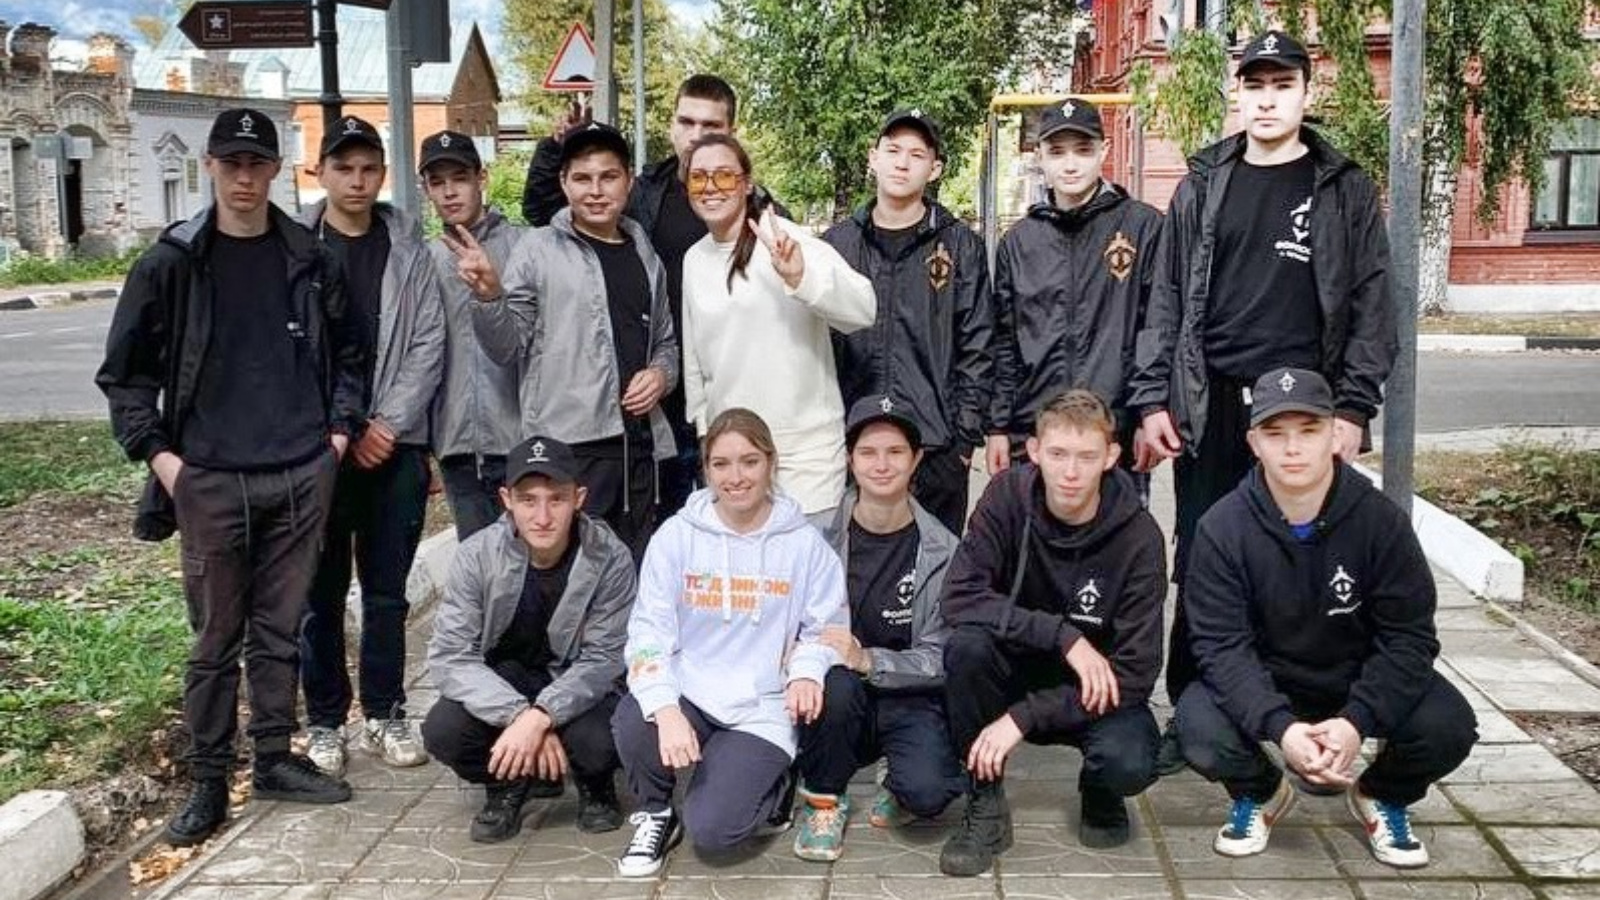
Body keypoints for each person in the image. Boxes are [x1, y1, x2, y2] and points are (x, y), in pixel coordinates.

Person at [1125, 30, 1397, 761]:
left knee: (1304, 560)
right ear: (1236, 94)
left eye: (1283, 86)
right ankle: (1194, 710)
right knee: (1204, 555)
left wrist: (1353, 409)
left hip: (1303, 413)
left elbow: (1372, 304)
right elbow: (1166, 298)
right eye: (1255, 86)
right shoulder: (1203, 184)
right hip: (1213, 405)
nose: (1268, 100)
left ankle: (1306, 710)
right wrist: (1153, 401)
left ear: (1307, 93)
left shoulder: (1342, 188)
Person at [96, 108, 361, 846]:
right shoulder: (171, 263)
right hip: (209, 478)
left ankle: (274, 758)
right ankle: (208, 779)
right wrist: (165, 462)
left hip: (299, 471)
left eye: (257, 163)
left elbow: (351, 356)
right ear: (210, 165)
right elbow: (125, 376)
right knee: (215, 639)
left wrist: (336, 439)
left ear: (276, 169)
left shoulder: (309, 257)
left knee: (280, 630)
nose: (244, 177)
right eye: (231, 162)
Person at [1176, 367, 1476, 868]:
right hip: (1272, 680)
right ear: (1254, 443)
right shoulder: (1222, 528)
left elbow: (1409, 638)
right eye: (1275, 433)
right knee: (1197, 726)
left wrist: (1357, 721)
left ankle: (1381, 794)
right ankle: (1261, 793)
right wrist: (1282, 729)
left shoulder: (1381, 521)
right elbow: (1221, 648)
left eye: (1309, 430)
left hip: (1355, 678)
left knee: (1449, 726)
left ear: (1335, 435)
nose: (1292, 448)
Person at [937, 389, 1166, 876]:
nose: (1071, 472)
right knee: (966, 649)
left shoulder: (1139, 536)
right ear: (1035, 450)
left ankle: (1099, 790)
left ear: (1111, 456)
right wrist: (1063, 636)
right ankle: (985, 801)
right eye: (1058, 454)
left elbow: (1137, 673)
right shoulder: (1006, 497)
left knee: (1130, 760)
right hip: (1015, 667)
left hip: (1093, 691)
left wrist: (1024, 717)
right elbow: (958, 597)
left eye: (1086, 456)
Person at [610, 408, 847, 877]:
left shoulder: (804, 543)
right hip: (691, 693)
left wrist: (805, 671)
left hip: (762, 705)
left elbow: (827, 628)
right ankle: (656, 813)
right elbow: (648, 632)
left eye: (749, 461)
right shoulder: (676, 536)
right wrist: (666, 708)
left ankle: (774, 782)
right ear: (705, 468)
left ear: (771, 463)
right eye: (721, 464)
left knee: (716, 833)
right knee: (634, 717)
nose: (735, 477)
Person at [523, 75, 749, 520]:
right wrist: (555, 148)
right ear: (671, 125)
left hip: (725, 394)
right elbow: (550, 211)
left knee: (728, 528)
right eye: (686, 122)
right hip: (655, 404)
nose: (696, 136)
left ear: (731, 132)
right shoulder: (642, 193)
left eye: (711, 126)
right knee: (663, 531)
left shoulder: (755, 205)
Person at [298, 116, 444, 777]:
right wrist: (338, 428)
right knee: (320, 594)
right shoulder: (296, 248)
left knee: (387, 593)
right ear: (321, 172)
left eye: (368, 169)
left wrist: (388, 423)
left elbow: (429, 343)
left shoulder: (410, 251)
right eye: (344, 168)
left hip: (396, 446)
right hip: (319, 450)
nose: (356, 181)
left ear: (382, 175)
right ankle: (326, 721)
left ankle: (386, 711)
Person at [458, 123, 678, 560]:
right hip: (566, 453)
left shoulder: (644, 251)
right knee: (569, 580)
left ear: (628, 180)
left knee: (631, 578)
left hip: (637, 450)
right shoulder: (537, 249)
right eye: (582, 178)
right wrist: (488, 297)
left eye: (608, 177)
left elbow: (666, 343)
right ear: (563, 183)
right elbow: (505, 348)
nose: (595, 191)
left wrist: (660, 375)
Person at [422, 435, 633, 843]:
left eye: (556, 500)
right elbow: (450, 656)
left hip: (576, 685)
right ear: (507, 500)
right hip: (506, 682)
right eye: (528, 501)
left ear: (579, 498)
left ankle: (594, 783)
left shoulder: (610, 556)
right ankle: (509, 781)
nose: (542, 517)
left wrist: (543, 716)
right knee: (444, 731)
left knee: (605, 739)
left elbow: (606, 658)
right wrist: (520, 715)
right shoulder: (477, 556)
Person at [791, 394, 965, 862]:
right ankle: (824, 800)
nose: (882, 465)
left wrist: (870, 659)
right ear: (850, 460)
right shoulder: (815, 538)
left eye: (895, 452)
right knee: (838, 682)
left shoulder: (945, 550)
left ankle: (899, 781)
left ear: (917, 459)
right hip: (837, 695)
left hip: (908, 693)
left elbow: (940, 655)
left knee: (929, 792)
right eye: (868, 452)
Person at [679, 134, 876, 519]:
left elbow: (863, 308)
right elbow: (696, 365)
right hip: (734, 462)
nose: (711, 187)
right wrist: (706, 432)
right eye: (699, 177)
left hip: (804, 461)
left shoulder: (783, 238)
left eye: (724, 175)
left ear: (747, 183)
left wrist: (800, 277)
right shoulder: (694, 259)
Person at [825, 109, 994, 534]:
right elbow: (819, 346)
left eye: (917, 155)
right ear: (873, 157)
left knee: (937, 565)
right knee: (854, 562)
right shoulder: (838, 245)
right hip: (855, 444)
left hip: (935, 446)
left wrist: (963, 441)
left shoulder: (960, 245)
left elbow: (978, 346)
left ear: (934, 169)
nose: (902, 163)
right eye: (893, 150)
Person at [987, 100, 1161, 499]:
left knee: (1118, 535)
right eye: (1057, 152)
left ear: (1104, 150)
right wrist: (998, 426)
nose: (1070, 165)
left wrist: (1148, 411)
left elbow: (1155, 326)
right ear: (1040, 156)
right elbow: (1005, 340)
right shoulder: (1019, 241)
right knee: (1034, 536)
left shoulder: (1142, 226)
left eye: (1082, 150)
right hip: (1036, 430)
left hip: (1114, 432)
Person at [422, 129, 528, 540]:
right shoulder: (426, 259)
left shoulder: (523, 246)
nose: (449, 192)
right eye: (437, 182)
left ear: (481, 178)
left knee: (531, 561)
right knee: (476, 562)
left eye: (460, 178)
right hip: (456, 444)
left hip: (520, 438)